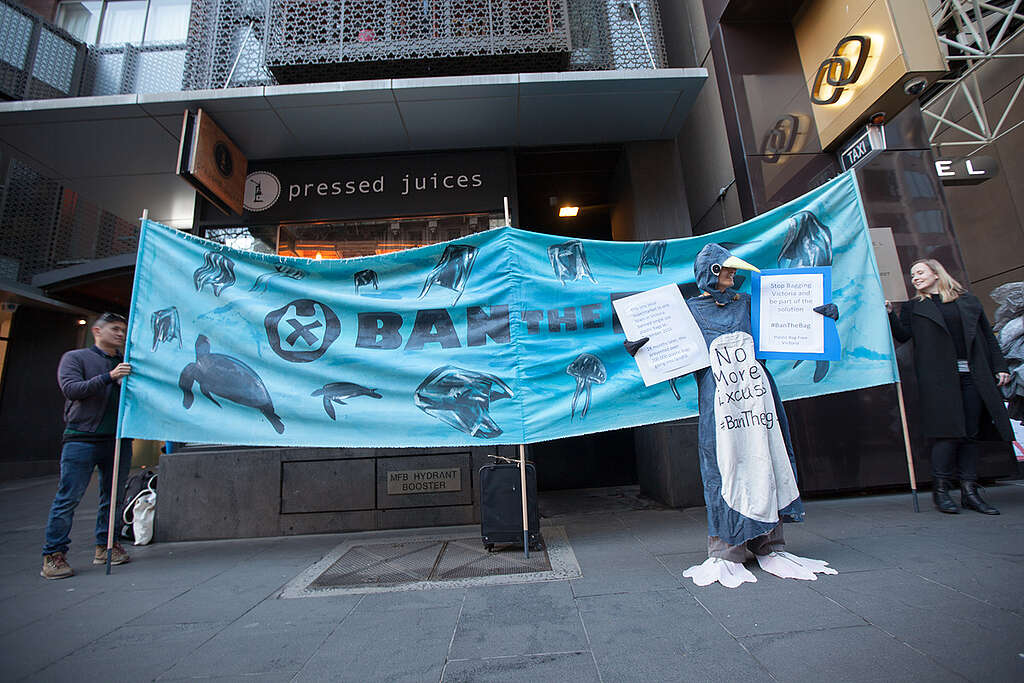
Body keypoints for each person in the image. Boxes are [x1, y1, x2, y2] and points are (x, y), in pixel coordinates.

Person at [626, 243, 836, 588]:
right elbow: (670, 347)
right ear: (712, 272)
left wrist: (819, 318)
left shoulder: (750, 305)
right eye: (727, 269)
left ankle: (769, 543)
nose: (733, 275)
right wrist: (641, 348)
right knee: (726, 466)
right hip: (719, 400)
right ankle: (728, 548)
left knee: (767, 459)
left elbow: (787, 323)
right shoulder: (689, 311)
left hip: (758, 397)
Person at [886, 259, 1012, 515]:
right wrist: (889, 313)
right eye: (912, 275)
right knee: (946, 433)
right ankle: (940, 491)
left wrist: (1000, 367)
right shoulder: (914, 307)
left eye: (920, 272)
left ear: (936, 273)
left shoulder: (968, 301)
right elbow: (903, 335)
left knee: (970, 433)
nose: (915, 278)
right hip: (939, 379)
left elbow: (988, 337)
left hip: (974, 375)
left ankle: (969, 491)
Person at [41, 312, 133, 579]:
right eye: (115, 329)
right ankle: (53, 555)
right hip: (81, 437)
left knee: (113, 496)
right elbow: (72, 389)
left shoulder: (125, 362)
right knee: (68, 498)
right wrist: (109, 377)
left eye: (122, 330)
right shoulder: (76, 358)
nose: (120, 334)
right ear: (97, 331)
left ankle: (107, 546)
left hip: (116, 438)